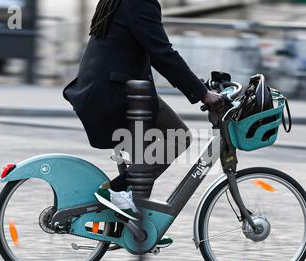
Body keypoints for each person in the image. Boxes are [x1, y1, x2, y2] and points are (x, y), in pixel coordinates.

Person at [63, 0, 222, 246]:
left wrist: (199, 86)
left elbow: (153, 52)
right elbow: (163, 53)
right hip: (116, 95)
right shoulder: (140, 3)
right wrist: (204, 95)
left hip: (106, 90)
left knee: (147, 154)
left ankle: (136, 228)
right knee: (177, 135)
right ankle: (116, 192)